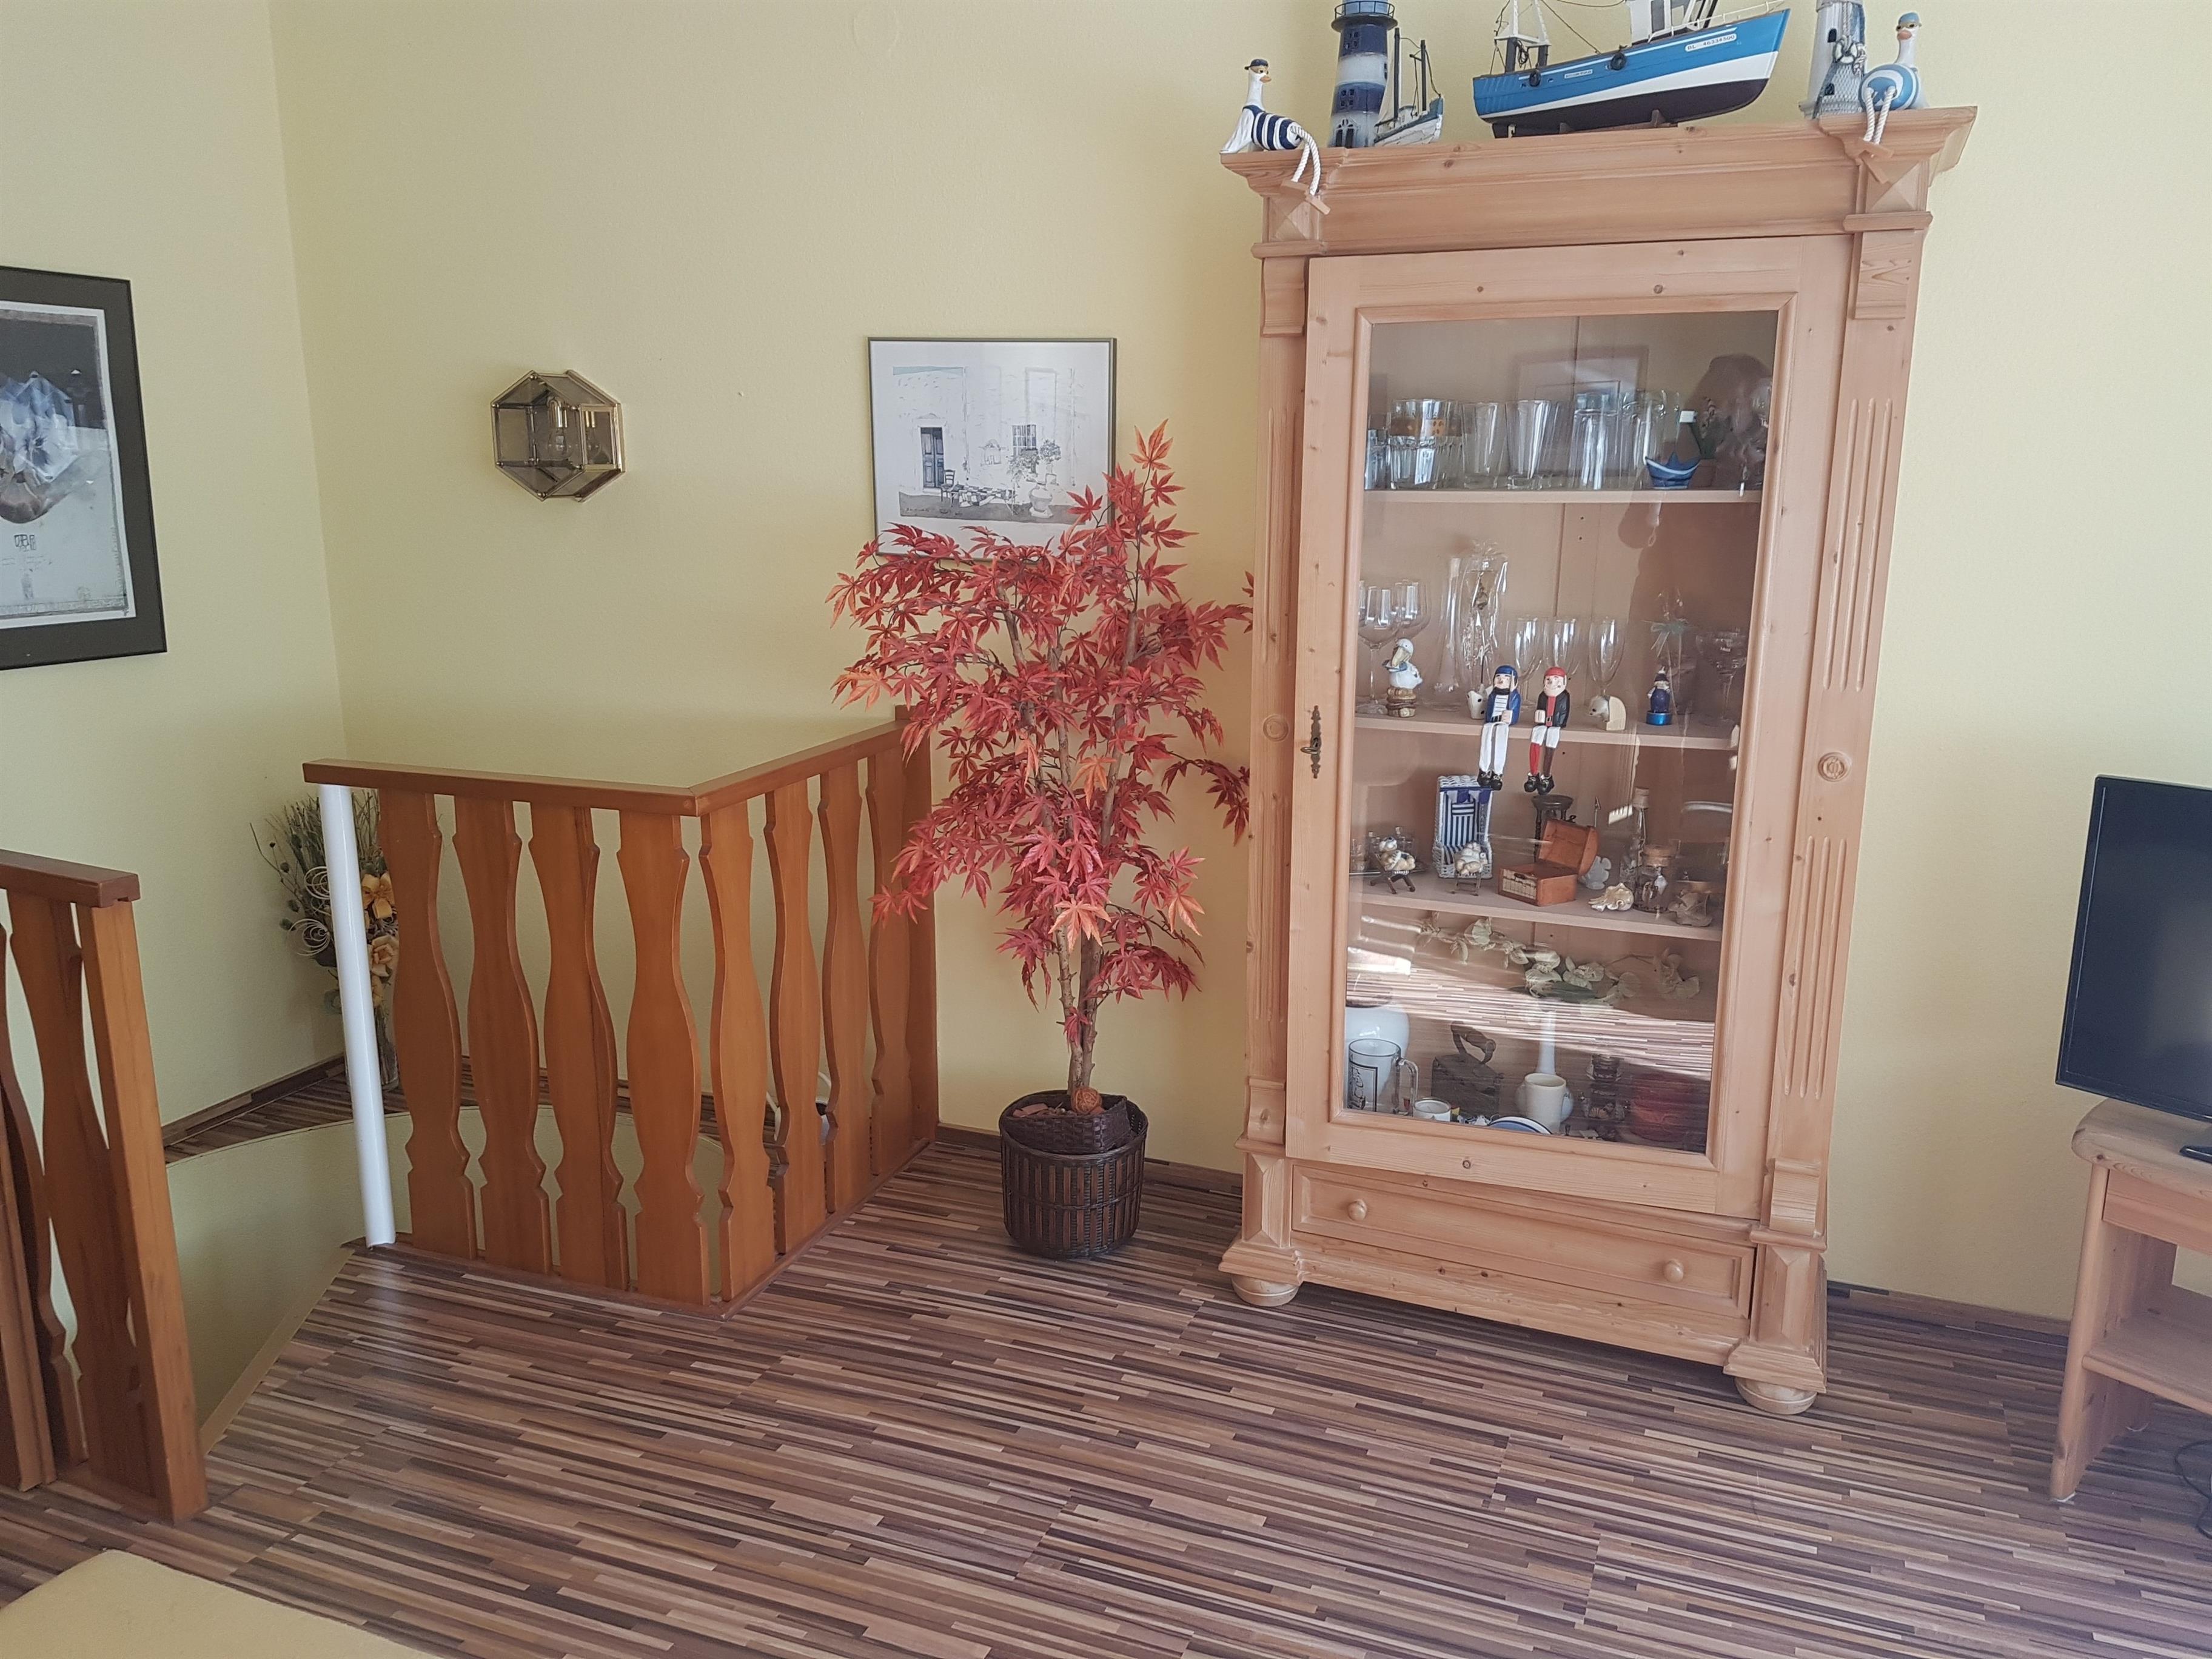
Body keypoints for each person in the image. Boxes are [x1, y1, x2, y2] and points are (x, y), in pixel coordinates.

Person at [1524, 666, 1570, 794]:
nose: (1552, 683)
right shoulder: (1543, 696)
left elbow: (1564, 712)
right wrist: (1539, 717)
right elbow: (1540, 708)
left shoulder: (1564, 696)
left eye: (1556, 680)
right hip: (1543, 723)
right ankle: (1534, 774)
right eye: (1549, 680)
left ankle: (1547, 776)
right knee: (1537, 738)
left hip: (1555, 724)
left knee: (1551, 742)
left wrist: (1559, 722)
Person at [1474, 664, 1519, 789]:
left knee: (1501, 740)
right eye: (1498, 677)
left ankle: (1497, 773)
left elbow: (1515, 711)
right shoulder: (1493, 695)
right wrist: (1489, 718)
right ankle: (1484, 770)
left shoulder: (1514, 697)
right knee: (1486, 738)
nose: (1501, 681)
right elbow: (1489, 709)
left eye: (1507, 679)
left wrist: (1511, 717)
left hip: (1503, 724)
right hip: (1492, 722)